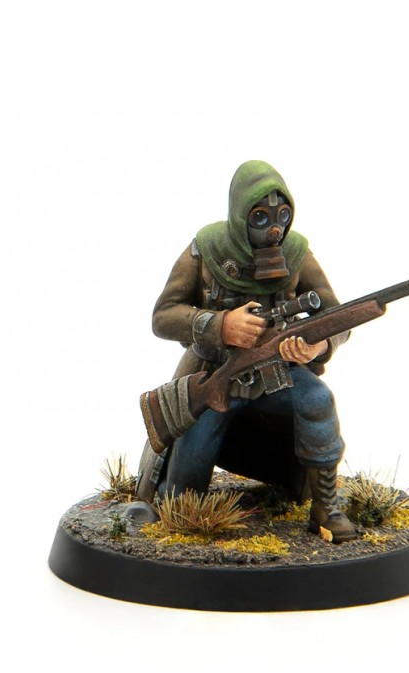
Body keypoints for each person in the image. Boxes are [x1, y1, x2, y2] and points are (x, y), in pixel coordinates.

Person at [136, 161, 356, 542]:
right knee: (182, 500)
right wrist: (221, 326)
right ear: (240, 215)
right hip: (214, 374)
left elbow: (338, 317)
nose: (274, 229)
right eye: (260, 217)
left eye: (282, 215)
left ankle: (325, 508)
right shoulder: (206, 250)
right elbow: (163, 316)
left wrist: (317, 345)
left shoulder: (296, 253)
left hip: (277, 373)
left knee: (318, 399)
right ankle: (173, 498)